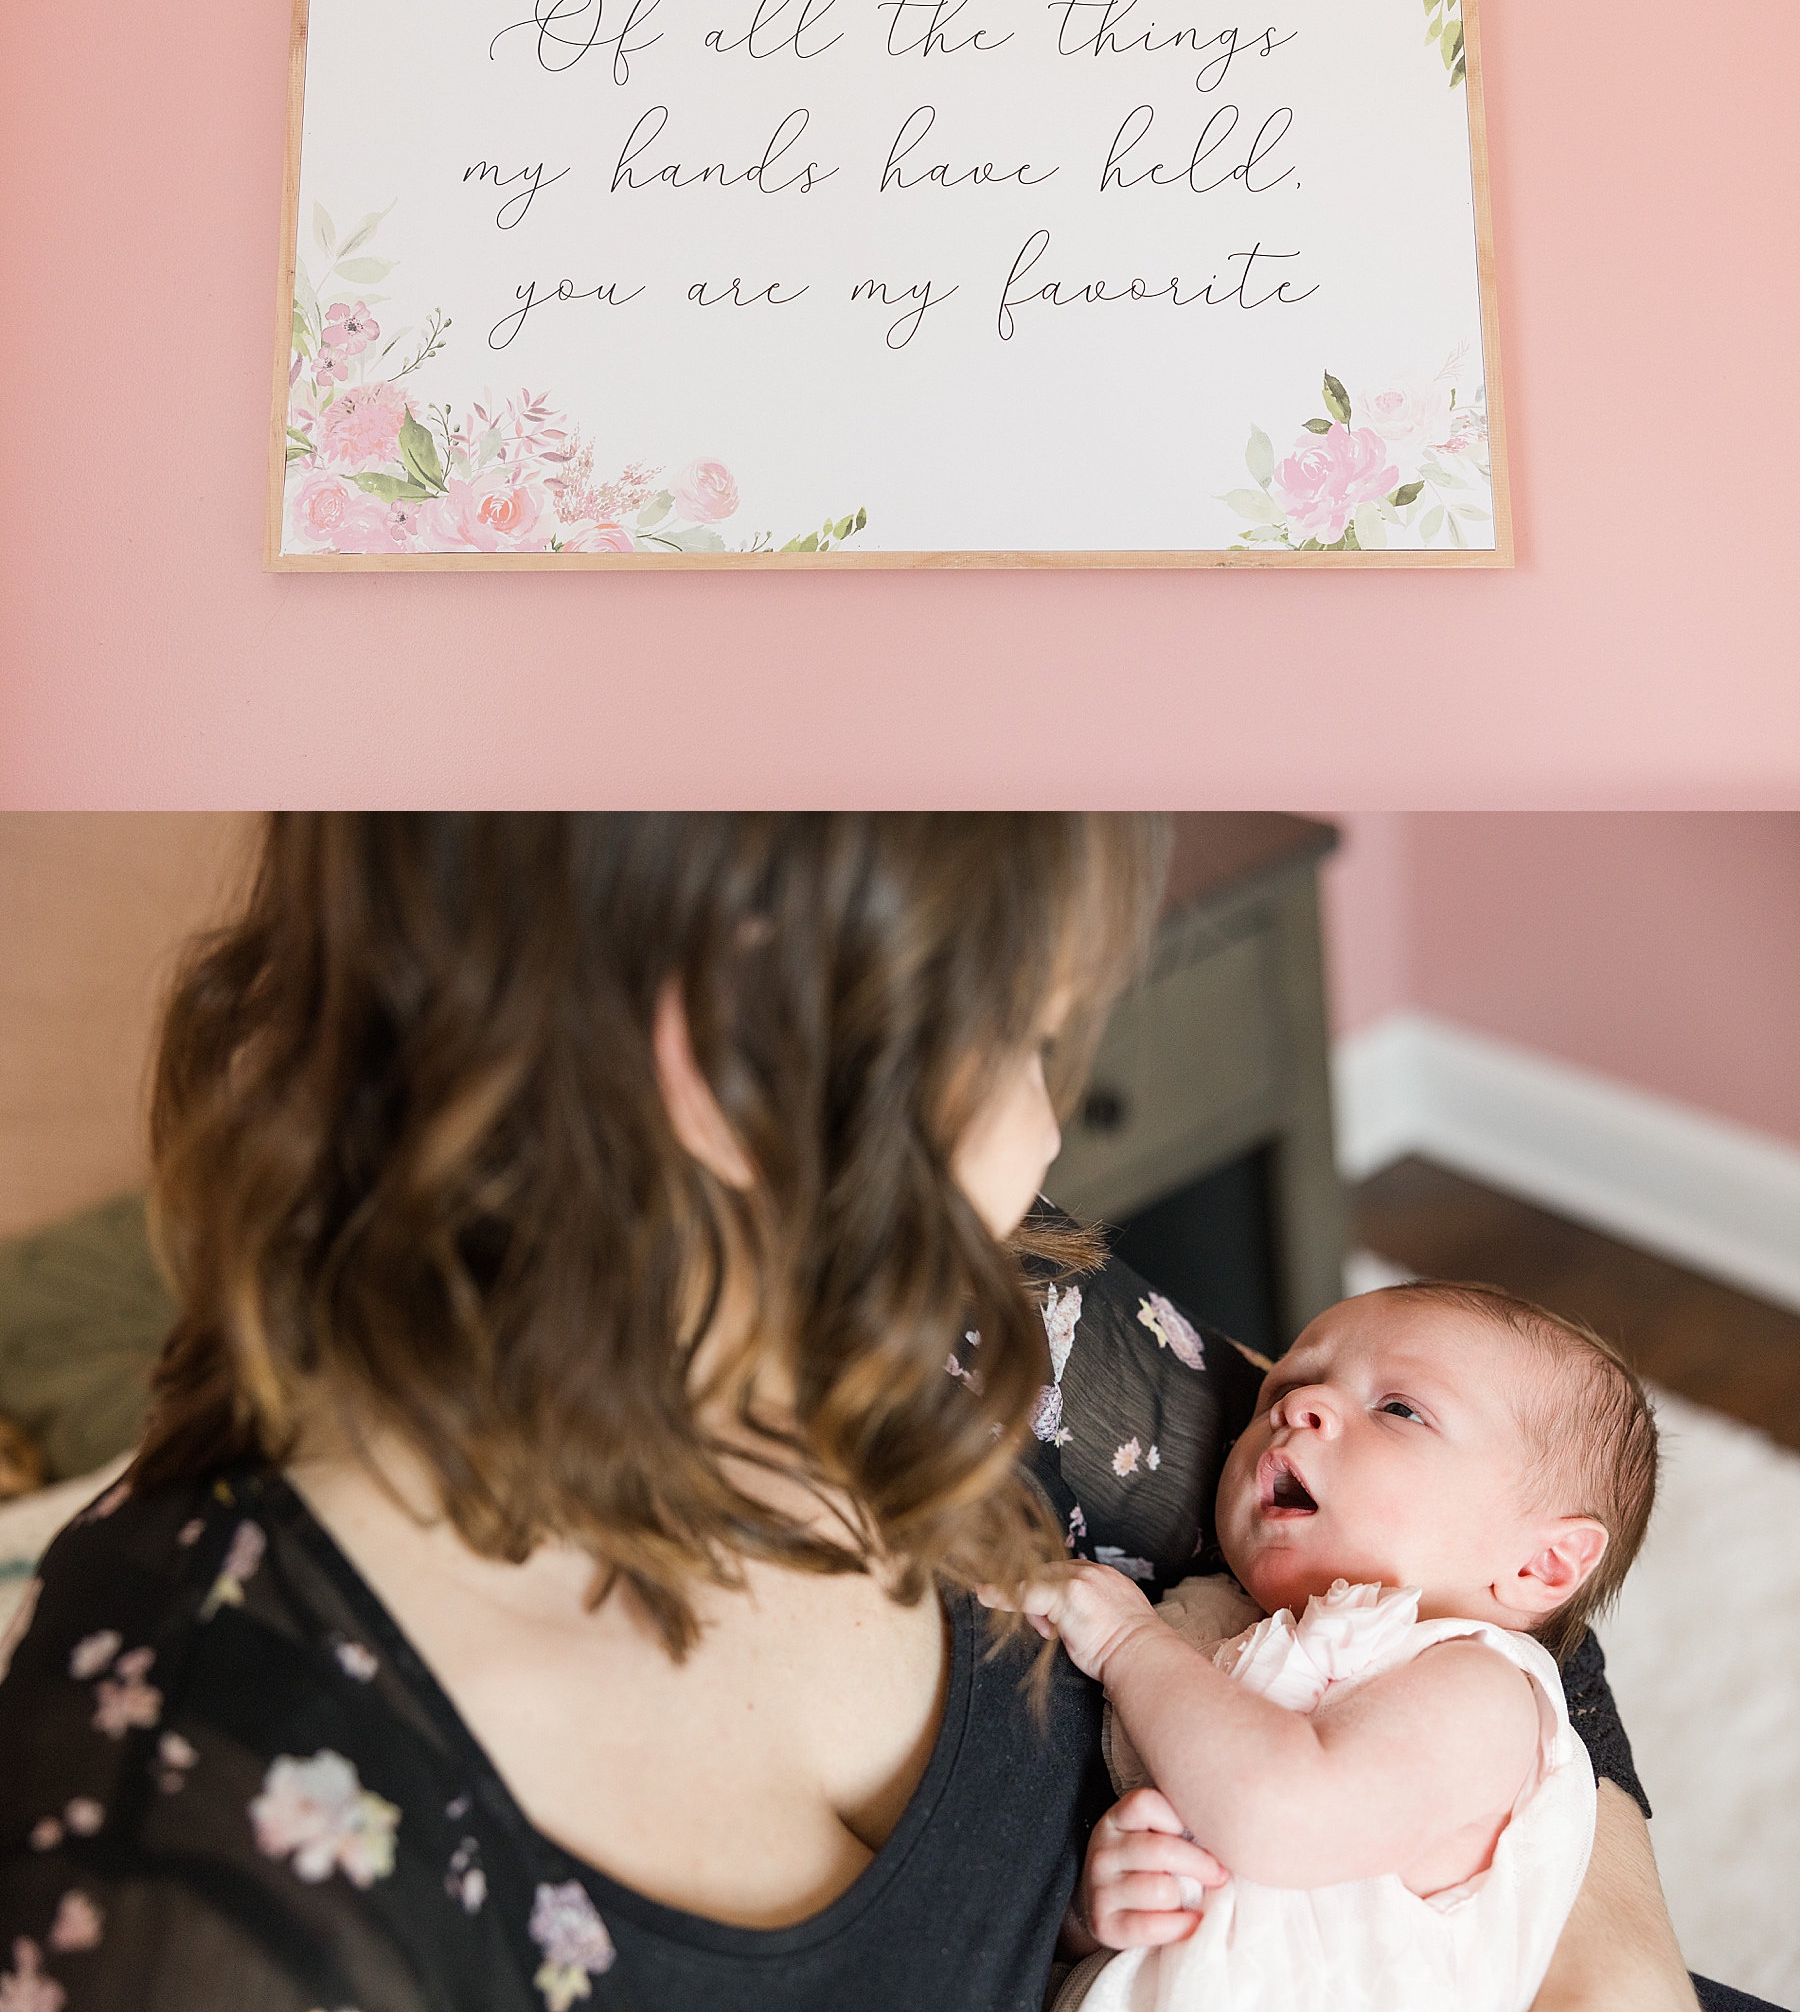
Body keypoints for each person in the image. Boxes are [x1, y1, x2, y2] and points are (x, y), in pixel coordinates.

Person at [0, 817, 1700, 2012]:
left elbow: (1481, 1550)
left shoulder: (952, 1313)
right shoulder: (208, 1803)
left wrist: (1610, 1963)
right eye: (1019, 1036)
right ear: (720, 1055)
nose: (1041, 1135)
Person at [1010, 1281, 1658, 2011]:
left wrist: (1128, 1643)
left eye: (1400, 1409)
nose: (1296, 1405)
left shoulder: (1481, 1692)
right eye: (1289, 1384)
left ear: (1543, 1565)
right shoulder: (1204, 1625)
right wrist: (1096, 1916)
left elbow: (1282, 1815)